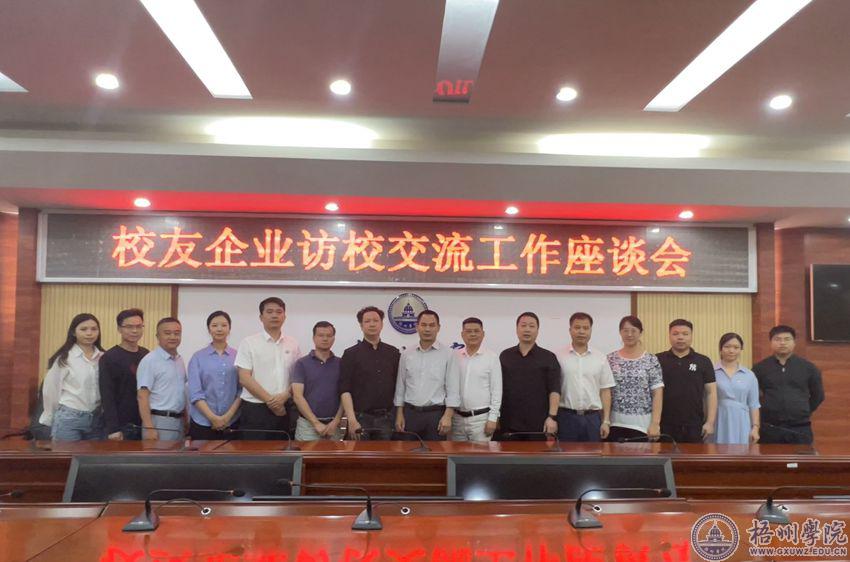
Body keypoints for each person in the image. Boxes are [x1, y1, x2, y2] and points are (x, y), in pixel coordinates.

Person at [235, 297, 301, 440]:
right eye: (269, 312)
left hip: (285, 407)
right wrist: (272, 402)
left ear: (284, 316)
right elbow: (244, 378)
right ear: (261, 317)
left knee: (283, 450)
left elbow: (298, 377)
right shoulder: (249, 343)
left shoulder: (293, 344)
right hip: (255, 409)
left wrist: (285, 396)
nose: (274, 315)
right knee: (254, 451)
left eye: (279, 312)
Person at [394, 310, 460, 441]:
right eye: (424, 325)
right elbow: (401, 386)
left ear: (438, 327)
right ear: (417, 327)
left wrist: (448, 416)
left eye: (432, 325)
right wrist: (399, 414)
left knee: (435, 453)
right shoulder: (407, 354)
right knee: (407, 452)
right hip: (410, 415)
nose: (427, 329)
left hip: (436, 415)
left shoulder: (448, 354)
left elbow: (453, 388)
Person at [753, 325, 824, 445]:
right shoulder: (760, 368)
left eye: (787, 339)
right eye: (777, 339)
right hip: (770, 428)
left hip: (800, 427)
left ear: (794, 342)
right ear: (771, 342)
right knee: (770, 457)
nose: (782, 343)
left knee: (802, 457)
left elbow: (818, 395)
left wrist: (804, 410)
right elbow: (752, 396)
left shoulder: (808, 367)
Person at [40, 313, 106, 441]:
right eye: (83, 329)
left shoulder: (104, 357)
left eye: (94, 329)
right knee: (67, 454)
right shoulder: (64, 358)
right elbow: (51, 390)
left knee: (94, 454)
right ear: (73, 332)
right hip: (69, 417)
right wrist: (49, 415)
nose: (89, 333)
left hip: (97, 418)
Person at [339, 306, 400, 440]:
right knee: (360, 454)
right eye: (367, 321)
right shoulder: (350, 354)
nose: (372, 324)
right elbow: (344, 389)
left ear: (382, 324)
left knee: (387, 454)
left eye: (375, 320)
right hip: (360, 418)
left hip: (387, 419)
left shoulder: (393, 353)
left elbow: (399, 387)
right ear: (361, 326)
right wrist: (352, 419)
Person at [498, 312, 560, 439]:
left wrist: (552, 417)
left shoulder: (548, 357)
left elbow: (554, 389)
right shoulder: (505, 356)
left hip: (538, 424)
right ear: (517, 329)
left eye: (532, 326)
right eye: (523, 325)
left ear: (537, 330)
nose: (527, 329)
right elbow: (497, 389)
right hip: (509, 423)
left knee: (537, 453)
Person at [555, 312, 616, 442]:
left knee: (593, 454)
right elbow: (553, 389)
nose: (581, 331)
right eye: (577, 327)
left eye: (586, 328)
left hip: (592, 418)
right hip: (566, 417)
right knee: (566, 454)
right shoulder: (558, 357)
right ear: (570, 330)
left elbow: (605, 391)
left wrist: (606, 421)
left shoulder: (600, 358)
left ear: (590, 331)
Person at [657, 319, 717, 443]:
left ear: (691, 336)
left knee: (693, 455)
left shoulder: (703, 361)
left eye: (685, 334)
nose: (680, 337)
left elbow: (711, 393)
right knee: (664, 455)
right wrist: (654, 423)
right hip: (664, 424)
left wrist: (710, 422)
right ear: (669, 335)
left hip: (694, 425)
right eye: (675, 334)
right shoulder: (658, 360)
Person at [606, 315, 664, 442]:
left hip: (642, 425)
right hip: (614, 423)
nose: (629, 334)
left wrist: (655, 423)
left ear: (640, 333)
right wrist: (605, 421)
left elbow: (657, 393)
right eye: (625, 330)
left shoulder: (651, 360)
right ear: (620, 332)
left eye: (633, 330)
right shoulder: (610, 359)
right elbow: (605, 392)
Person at [187, 311, 241, 440]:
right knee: (202, 453)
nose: (219, 329)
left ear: (229, 329)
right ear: (209, 329)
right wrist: (213, 418)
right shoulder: (197, 357)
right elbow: (195, 392)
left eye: (224, 325)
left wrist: (227, 417)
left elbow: (241, 390)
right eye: (215, 325)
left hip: (232, 421)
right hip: (202, 422)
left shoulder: (239, 356)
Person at [99, 308, 149, 440]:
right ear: (119, 329)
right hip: (121, 425)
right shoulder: (109, 357)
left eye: (139, 326)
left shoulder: (146, 355)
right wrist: (113, 428)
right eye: (129, 327)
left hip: (144, 422)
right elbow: (107, 395)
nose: (135, 330)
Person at [451, 317, 502, 442]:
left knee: (480, 454)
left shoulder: (491, 357)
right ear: (462, 334)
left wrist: (493, 418)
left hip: (481, 420)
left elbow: (496, 390)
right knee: (456, 454)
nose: (472, 334)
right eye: (468, 331)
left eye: (476, 331)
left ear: (483, 334)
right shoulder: (455, 356)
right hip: (457, 419)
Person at [137, 317, 187, 441]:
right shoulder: (150, 361)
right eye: (167, 333)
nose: (173, 337)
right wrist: (149, 427)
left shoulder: (179, 360)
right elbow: (142, 396)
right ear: (157, 336)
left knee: (177, 454)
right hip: (159, 421)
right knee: (159, 454)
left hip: (179, 421)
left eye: (177, 333)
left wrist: (186, 419)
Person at [292, 321, 343, 441]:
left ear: (334, 339)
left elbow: (345, 395)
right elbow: (297, 396)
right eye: (320, 335)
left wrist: (336, 421)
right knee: (306, 454)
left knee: (334, 454)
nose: (325, 339)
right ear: (314, 338)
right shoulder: (301, 363)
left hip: (333, 426)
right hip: (307, 426)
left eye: (329, 335)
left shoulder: (341, 363)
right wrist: (315, 423)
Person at [714, 332, 760, 445]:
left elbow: (754, 404)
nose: (731, 351)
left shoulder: (749, 375)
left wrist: (755, 427)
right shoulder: (711, 371)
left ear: (741, 350)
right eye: (727, 346)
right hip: (718, 417)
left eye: (736, 347)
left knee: (740, 451)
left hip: (741, 419)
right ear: (720, 349)